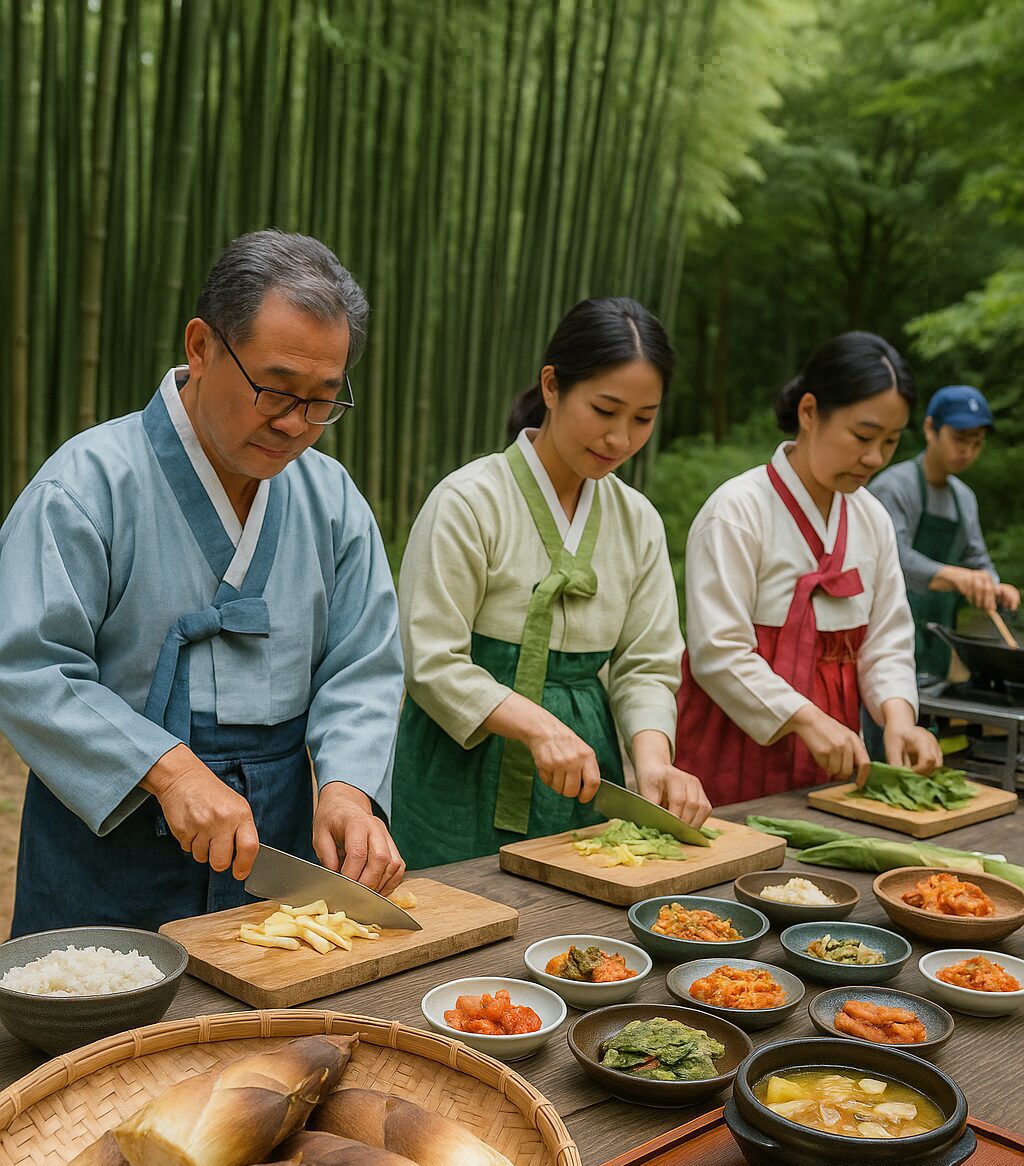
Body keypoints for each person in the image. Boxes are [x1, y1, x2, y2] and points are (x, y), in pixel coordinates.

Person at [0, 230, 406, 936]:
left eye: (322, 401)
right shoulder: (86, 486)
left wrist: (346, 789)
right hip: (111, 827)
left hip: (274, 831)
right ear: (201, 346)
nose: (294, 425)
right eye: (276, 390)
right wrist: (169, 771)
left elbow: (363, 663)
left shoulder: (332, 499)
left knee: (267, 1039)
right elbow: (28, 665)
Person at [390, 296, 710, 867]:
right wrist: (538, 726)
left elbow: (646, 663)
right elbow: (431, 660)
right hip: (464, 763)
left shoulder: (637, 521)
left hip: (586, 769)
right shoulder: (468, 501)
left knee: (576, 935)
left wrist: (654, 759)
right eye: (605, 409)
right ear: (552, 386)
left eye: (643, 418)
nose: (619, 439)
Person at [674, 331, 942, 805]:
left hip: (833, 755)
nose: (875, 458)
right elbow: (718, 650)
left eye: (891, 441)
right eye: (862, 436)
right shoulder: (737, 511)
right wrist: (807, 719)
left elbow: (887, 640)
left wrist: (900, 720)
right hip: (734, 742)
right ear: (810, 412)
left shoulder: (871, 517)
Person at [869, 385, 1019, 682]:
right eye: (960, 439)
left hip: (937, 638)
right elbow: (894, 557)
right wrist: (957, 577)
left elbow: (976, 557)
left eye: (977, 443)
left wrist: (994, 585)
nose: (967, 451)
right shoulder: (894, 487)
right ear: (930, 429)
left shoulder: (963, 498)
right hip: (885, 635)